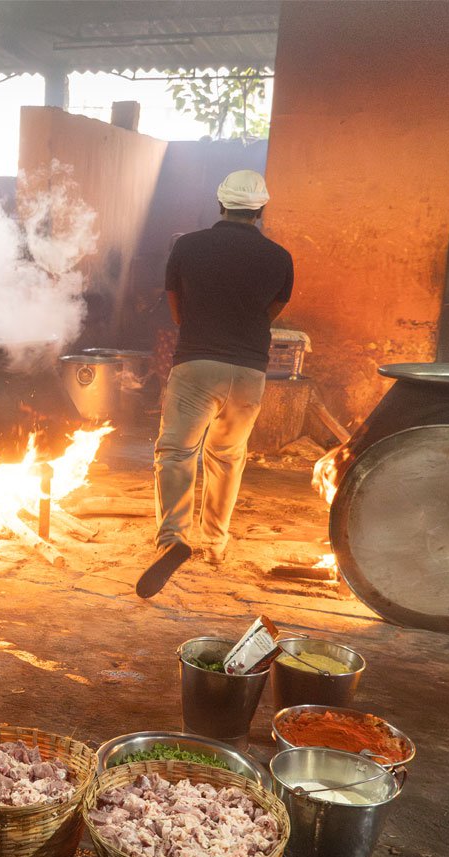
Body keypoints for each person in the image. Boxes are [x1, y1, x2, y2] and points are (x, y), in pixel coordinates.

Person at [137, 170, 294, 599]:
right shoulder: (280, 257)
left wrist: (205, 328)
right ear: (260, 210)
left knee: (176, 451)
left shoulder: (186, 246)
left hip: (197, 364)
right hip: (249, 371)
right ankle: (215, 544)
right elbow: (271, 311)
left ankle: (173, 539)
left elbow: (176, 309)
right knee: (226, 455)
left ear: (220, 204)